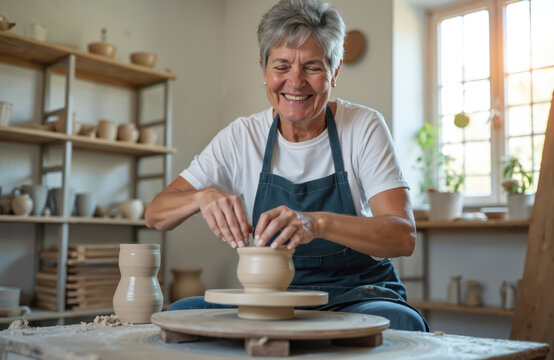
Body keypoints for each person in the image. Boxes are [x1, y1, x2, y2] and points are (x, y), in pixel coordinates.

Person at [145, 0, 427, 332]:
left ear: (334, 73)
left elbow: (402, 235)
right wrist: (200, 197)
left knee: (399, 322)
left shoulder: (363, 126)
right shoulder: (241, 136)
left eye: (312, 67)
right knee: (179, 316)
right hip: (271, 296)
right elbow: (155, 215)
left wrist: (317, 223)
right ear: (263, 69)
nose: (295, 82)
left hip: (359, 293)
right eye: (281, 67)